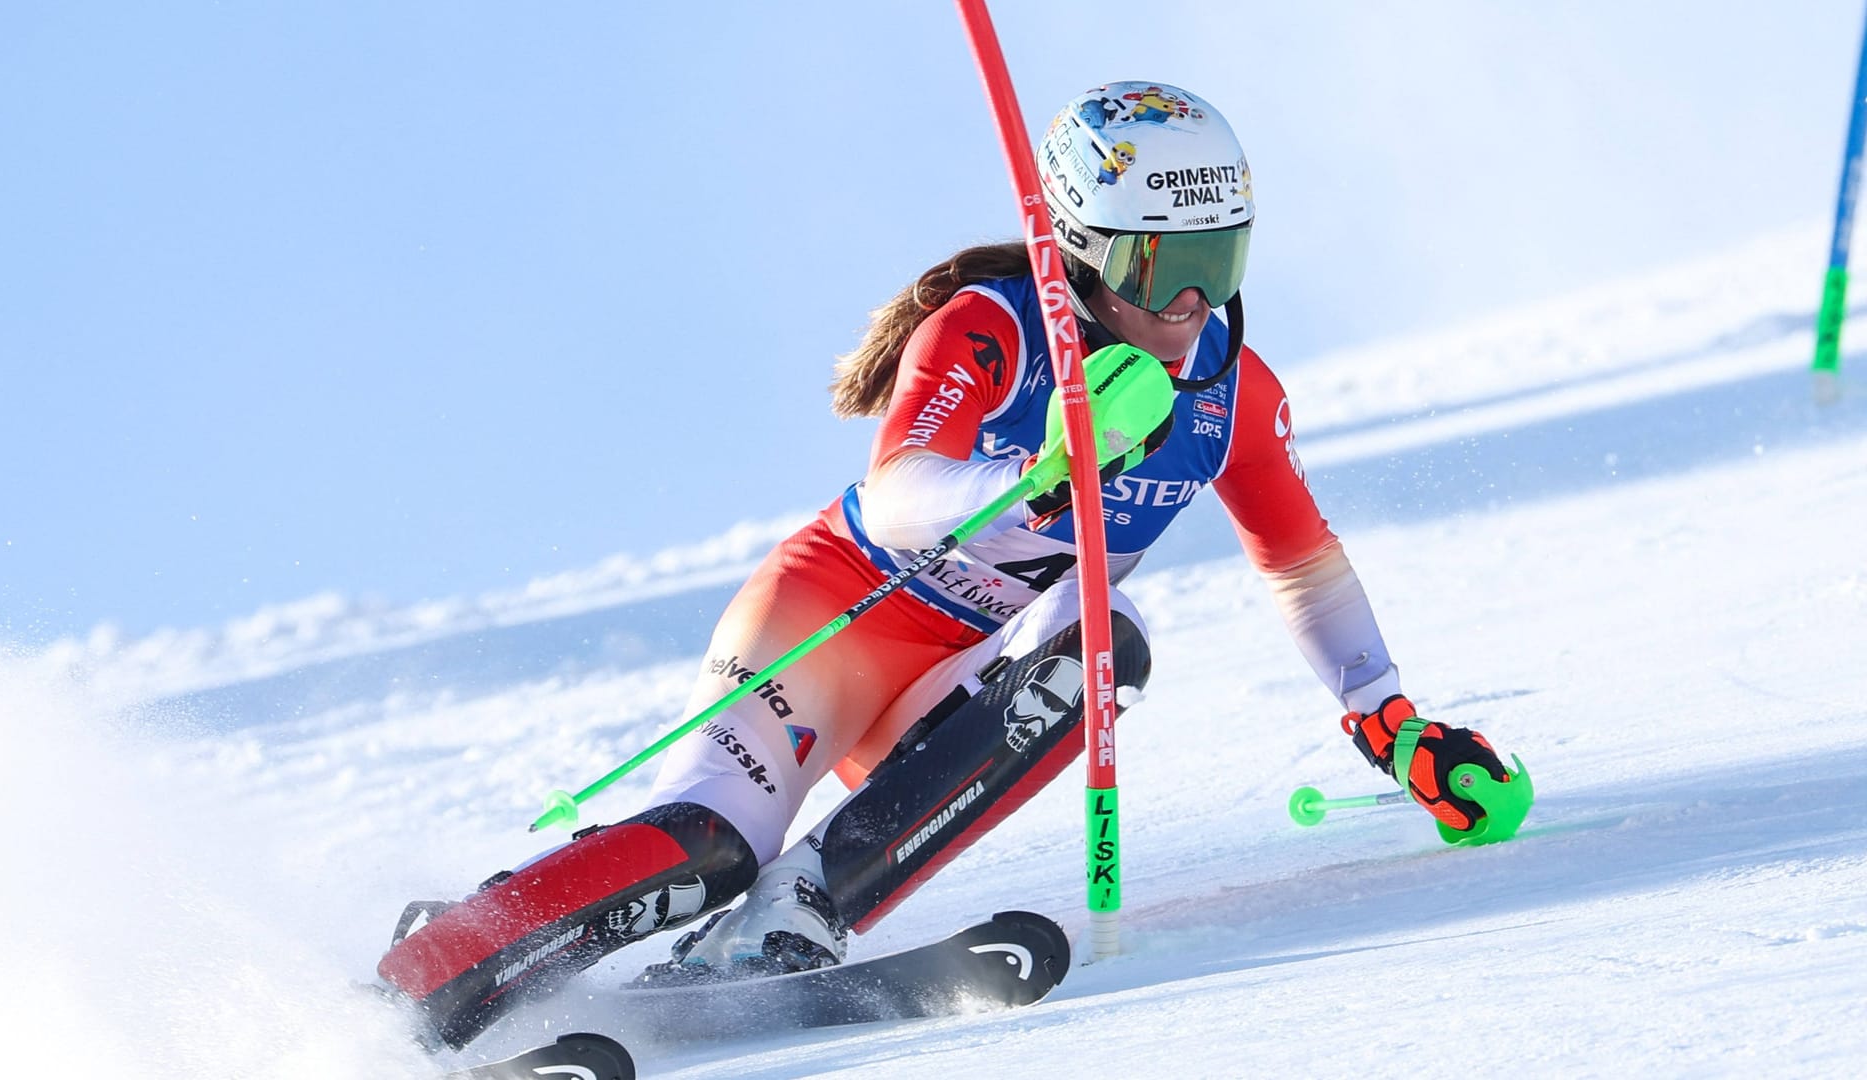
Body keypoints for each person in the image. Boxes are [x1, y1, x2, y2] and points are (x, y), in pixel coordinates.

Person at [375, 80, 1521, 1049]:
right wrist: (1038, 474)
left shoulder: (1232, 393)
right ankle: (433, 972)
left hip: (959, 675)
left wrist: (1391, 722)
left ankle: (798, 915)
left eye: (1217, 262)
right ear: (1081, 245)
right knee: (708, 846)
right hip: (832, 620)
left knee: (1100, 640)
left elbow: (1302, 563)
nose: (1188, 305)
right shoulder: (996, 327)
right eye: (1159, 264)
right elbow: (900, 486)